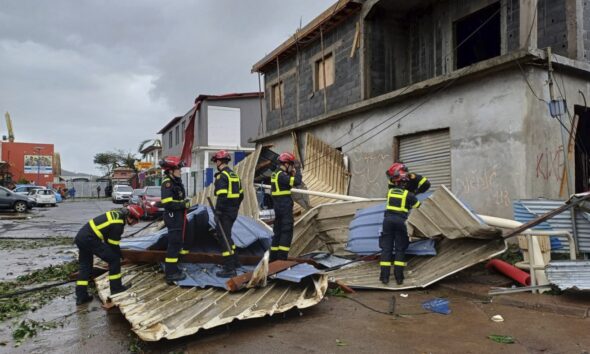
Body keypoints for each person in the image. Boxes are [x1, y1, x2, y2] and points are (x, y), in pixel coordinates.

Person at [75, 204, 143, 305]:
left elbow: (108, 239)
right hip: (90, 239)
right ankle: (116, 288)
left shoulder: (115, 214)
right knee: (114, 260)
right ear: (130, 216)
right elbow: (113, 244)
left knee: (85, 267)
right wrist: (120, 255)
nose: (135, 223)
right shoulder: (118, 223)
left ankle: (81, 297)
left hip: (81, 238)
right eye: (136, 220)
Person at [379, 164, 421, 285]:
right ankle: (399, 278)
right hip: (401, 222)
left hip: (387, 221)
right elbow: (418, 206)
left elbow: (391, 182)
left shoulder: (390, 192)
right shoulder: (409, 195)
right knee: (400, 249)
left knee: (386, 249)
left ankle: (384, 278)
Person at [211, 150, 243, 277]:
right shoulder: (234, 175)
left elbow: (222, 196)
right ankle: (236, 262)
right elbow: (241, 195)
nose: (216, 164)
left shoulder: (222, 176)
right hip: (232, 212)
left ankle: (229, 268)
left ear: (219, 162)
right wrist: (234, 207)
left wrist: (218, 212)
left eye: (216, 161)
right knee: (228, 236)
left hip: (224, 213)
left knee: (223, 238)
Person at [159, 156, 189, 282]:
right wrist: (183, 205)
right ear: (171, 170)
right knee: (174, 244)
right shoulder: (168, 183)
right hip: (173, 217)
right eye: (178, 169)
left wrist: (183, 203)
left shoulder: (176, 182)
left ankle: (174, 268)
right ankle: (170, 273)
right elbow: (167, 203)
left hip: (178, 216)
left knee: (177, 243)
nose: (180, 171)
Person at [269, 152, 302, 261]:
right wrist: (298, 169)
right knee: (286, 232)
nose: (292, 167)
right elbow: (297, 181)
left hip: (278, 207)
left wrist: (291, 173)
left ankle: (273, 259)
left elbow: (285, 185)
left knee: (278, 232)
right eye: (291, 165)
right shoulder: (282, 175)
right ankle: (281, 260)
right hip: (284, 207)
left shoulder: (276, 174)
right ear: (286, 164)